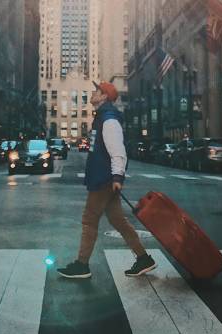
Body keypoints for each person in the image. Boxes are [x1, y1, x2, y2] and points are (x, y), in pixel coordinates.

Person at [57, 81, 157, 279]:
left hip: (104, 179)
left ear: (104, 97)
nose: (93, 93)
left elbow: (118, 151)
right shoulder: (102, 117)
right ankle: (144, 258)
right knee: (118, 220)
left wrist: (117, 176)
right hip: (103, 178)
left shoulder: (109, 120)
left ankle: (82, 265)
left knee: (89, 219)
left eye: (96, 91)